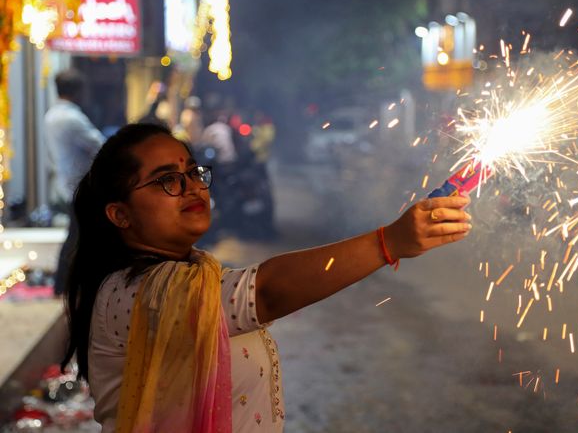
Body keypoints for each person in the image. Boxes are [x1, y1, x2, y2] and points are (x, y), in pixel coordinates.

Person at [61, 123, 472, 433]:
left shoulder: (193, 271)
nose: (191, 187)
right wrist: (389, 242)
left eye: (192, 172)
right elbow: (268, 291)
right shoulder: (132, 293)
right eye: (167, 179)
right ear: (120, 214)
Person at [44, 68, 105, 296]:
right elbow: (101, 146)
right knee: (79, 238)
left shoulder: (51, 116)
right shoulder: (72, 118)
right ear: (78, 91)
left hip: (68, 183)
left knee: (78, 236)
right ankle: (66, 286)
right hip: (82, 185)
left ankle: (65, 285)